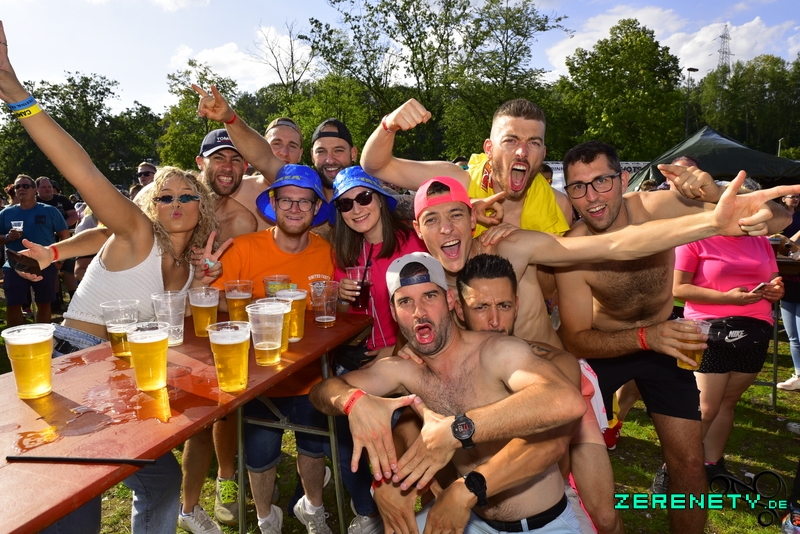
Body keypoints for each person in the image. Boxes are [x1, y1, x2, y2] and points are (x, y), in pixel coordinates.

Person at [0, 21, 224, 533]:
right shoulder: (137, 234)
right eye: (164, 196)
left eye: (186, 195)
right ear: (149, 205)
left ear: (202, 206)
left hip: (123, 377)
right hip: (72, 364)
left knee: (161, 482)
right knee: (77, 505)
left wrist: (203, 284)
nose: (175, 203)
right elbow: (82, 172)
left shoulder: (191, 266)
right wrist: (17, 95)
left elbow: (179, 334)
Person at [553, 140, 796, 534]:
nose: (592, 197)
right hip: (605, 349)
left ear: (624, 180)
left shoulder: (657, 208)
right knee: (560, 460)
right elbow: (577, 339)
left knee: (688, 462)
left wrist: (716, 195)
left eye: (601, 181)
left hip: (665, 341)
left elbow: (778, 216)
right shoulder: (574, 249)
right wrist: (646, 337)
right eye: (578, 186)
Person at [310, 252, 588, 533]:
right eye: (405, 302)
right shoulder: (406, 370)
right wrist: (353, 401)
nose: (419, 312)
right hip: (473, 521)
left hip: (543, 524)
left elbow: (566, 401)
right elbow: (323, 390)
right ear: (393, 313)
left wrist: (458, 430)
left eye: (429, 296)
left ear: (450, 301)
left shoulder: (496, 351)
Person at [409, 174, 787, 350]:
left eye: (456, 216)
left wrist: (711, 223)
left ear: (472, 219)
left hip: (552, 375)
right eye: (433, 220)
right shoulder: (421, 283)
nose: (447, 229)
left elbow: (613, 245)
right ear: (418, 230)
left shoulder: (510, 247)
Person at [449, 253, 622, 534]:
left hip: (549, 482)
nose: (494, 320)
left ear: (517, 306)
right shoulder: (449, 364)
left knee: (605, 517)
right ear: (460, 310)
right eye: (481, 307)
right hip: (483, 504)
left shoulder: (554, 362)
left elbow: (553, 445)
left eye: (504, 305)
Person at [211, 164, 336, 534]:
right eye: (286, 201)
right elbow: (209, 300)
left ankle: (313, 509)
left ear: (316, 208)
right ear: (273, 204)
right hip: (258, 379)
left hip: (310, 376)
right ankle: (266, 519)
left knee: (314, 448)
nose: (295, 209)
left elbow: (338, 311)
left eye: (304, 202)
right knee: (260, 456)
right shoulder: (243, 248)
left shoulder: (328, 253)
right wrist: (259, 305)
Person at [361, 97, 574, 235]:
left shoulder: (559, 205)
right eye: (511, 140)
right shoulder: (460, 182)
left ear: (543, 153)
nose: (522, 152)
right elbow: (376, 167)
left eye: (534, 143)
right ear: (489, 149)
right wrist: (388, 126)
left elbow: (554, 283)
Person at [673, 232, 782, 482]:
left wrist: (776, 290)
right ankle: (674, 470)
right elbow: (678, 288)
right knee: (706, 407)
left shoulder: (761, 241)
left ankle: (712, 464)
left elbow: (774, 279)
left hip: (755, 332)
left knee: (728, 402)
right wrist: (727, 298)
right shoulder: (696, 238)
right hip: (709, 330)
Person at [0, 173, 69, 326]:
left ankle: (43, 336)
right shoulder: (6, 213)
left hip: (44, 263)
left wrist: (60, 259)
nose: (21, 189)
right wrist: (8, 237)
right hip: (15, 264)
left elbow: (64, 235)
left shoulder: (50, 211)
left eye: (26, 186)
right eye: (18, 186)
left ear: (35, 190)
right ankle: (17, 337)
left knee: (44, 303)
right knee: (13, 305)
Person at [778, 193, 800, 391]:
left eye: (798, 196)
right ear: (782, 199)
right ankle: (798, 374)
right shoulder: (777, 217)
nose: (795, 199)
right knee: (793, 336)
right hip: (788, 285)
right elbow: (784, 247)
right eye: (791, 196)